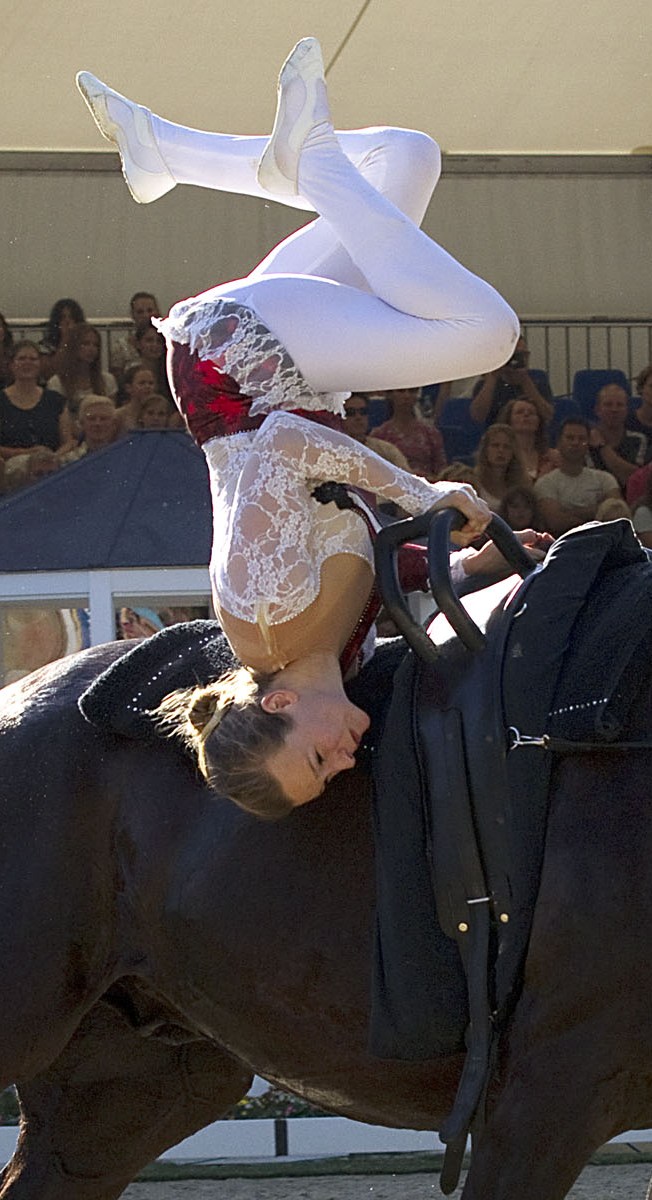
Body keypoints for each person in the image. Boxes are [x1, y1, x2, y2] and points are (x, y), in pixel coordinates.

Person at [79, 39, 538, 814]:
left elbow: (283, 445)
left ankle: (313, 164)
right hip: (290, 364)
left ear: (278, 708)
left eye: (313, 761)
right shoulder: (336, 654)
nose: (341, 765)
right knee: (405, 158)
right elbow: (362, 551)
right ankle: (165, 151)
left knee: (485, 332)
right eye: (329, 777)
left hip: (239, 365)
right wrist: (478, 564)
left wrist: (420, 492)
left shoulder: (261, 613)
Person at [533, 417, 620, 536]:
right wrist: (597, 510)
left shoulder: (605, 479)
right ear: (559, 442)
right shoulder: (545, 483)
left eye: (581, 439)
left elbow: (616, 513)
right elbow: (556, 522)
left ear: (588, 443)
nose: (575, 443)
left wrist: (568, 512)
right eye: (570, 438)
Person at [0, 342, 72, 460]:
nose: (27, 362)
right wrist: (27, 453)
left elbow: (68, 442)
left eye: (33, 359)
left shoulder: (55, 400)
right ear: (12, 364)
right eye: (22, 358)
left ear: (40, 364)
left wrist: (52, 457)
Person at [368, 386, 446, 479]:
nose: (407, 396)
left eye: (412, 391)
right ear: (390, 395)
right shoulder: (379, 435)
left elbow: (441, 470)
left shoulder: (430, 433)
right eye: (401, 391)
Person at [46, 322, 117, 410]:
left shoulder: (108, 380)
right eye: (85, 344)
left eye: (96, 345)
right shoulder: (57, 383)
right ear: (73, 346)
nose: (91, 349)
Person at [342, 395, 408, 469]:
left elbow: (408, 476)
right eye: (350, 412)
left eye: (363, 412)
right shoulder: (333, 450)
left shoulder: (386, 449)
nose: (358, 417)